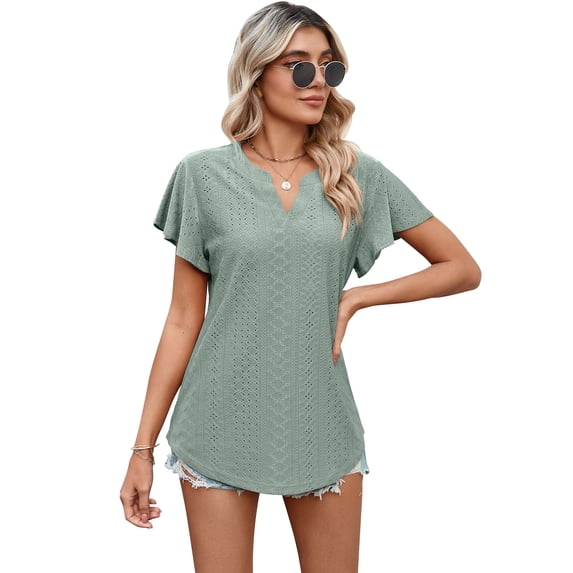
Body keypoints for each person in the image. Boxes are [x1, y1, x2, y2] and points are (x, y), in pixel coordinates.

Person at [119, 2, 481, 571]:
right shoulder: (202, 176)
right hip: (216, 421)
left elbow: (460, 267)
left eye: (329, 66)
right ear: (257, 72)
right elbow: (184, 319)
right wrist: (142, 448)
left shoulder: (356, 175)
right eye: (299, 65)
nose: (318, 81)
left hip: (321, 422)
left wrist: (358, 297)